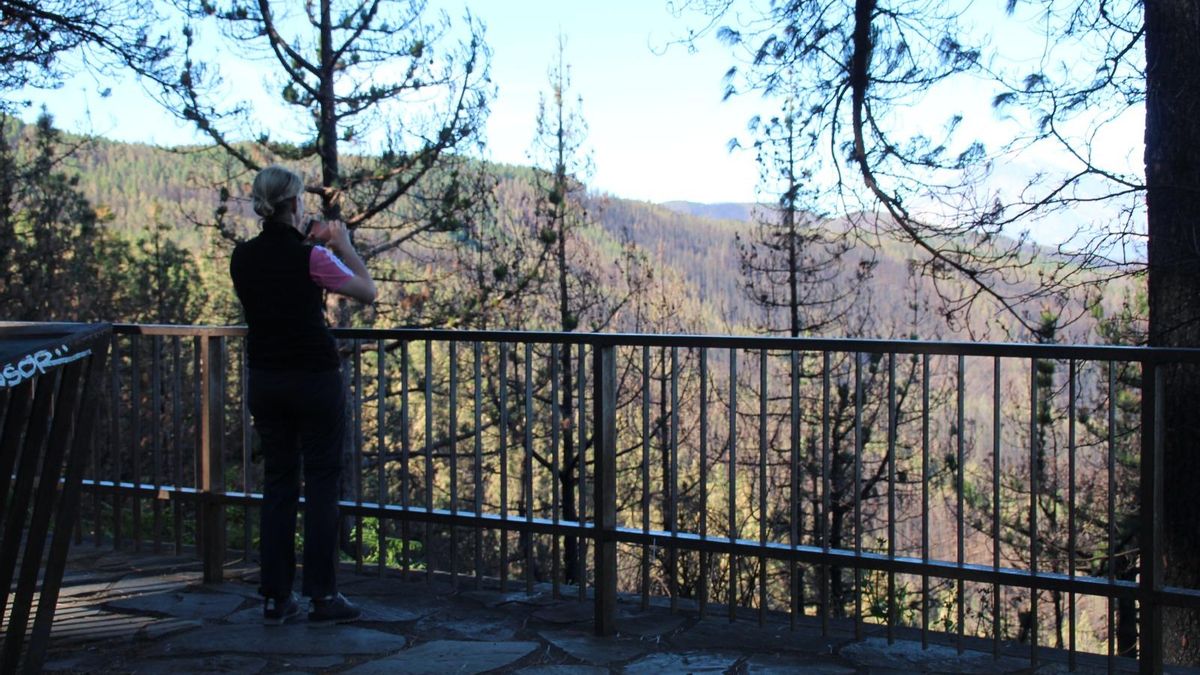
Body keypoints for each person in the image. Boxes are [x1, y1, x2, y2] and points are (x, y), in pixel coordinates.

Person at [230, 165, 376, 625]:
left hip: (266, 378)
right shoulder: (310, 257)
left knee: (278, 483)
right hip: (314, 378)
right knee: (322, 484)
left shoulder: (242, 257)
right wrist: (343, 246)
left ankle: (275, 596)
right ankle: (323, 596)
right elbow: (366, 291)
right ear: (294, 204)